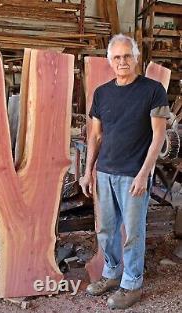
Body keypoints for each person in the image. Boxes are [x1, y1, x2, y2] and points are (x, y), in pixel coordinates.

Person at [80, 33, 170, 310]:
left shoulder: (153, 90)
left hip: (134, 174)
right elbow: (94, 137)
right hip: (105, 173)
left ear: (136, 57)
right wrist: (87, 172)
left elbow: (158, 137)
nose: (122, 61)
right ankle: (111, 273)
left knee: (132, 232)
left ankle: (131, 284)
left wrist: (145, 173)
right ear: (110, 60)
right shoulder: (102, 93)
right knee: (106, 230)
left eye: (127, 56)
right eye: (117, 57)